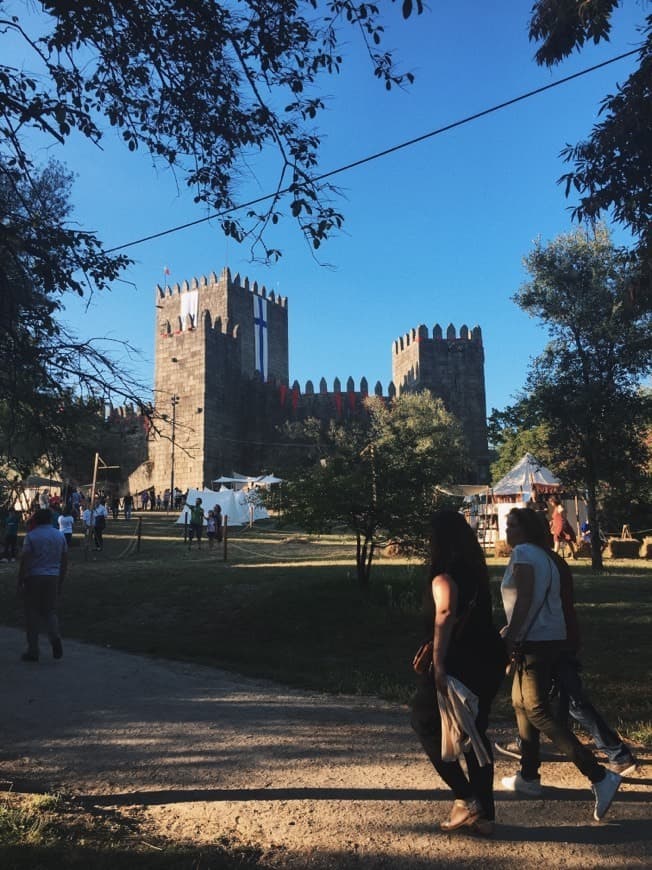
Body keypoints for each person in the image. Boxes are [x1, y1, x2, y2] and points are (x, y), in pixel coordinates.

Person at [500, 507, 621, 821]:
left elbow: (524, 600)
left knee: (537, 709)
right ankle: (528, 777)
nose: (506, 528)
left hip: (534, 641)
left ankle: (599, 775)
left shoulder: (525, 553)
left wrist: (512, 637)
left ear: (525, 529)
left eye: (512, 524)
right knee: (519, 702)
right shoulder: (546, 555)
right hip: (553, 637)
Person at [495, 545, 637, 775]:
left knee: (568, 699)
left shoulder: (538, 560)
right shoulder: (549, 559)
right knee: (553, 696)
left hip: (553, 638)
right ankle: (528, 747)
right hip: (557, 636)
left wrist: (516, 633)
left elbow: (538, 602)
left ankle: (616, 754)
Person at [411, 510, 507, 836]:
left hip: (460, 662)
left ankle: (466, 799)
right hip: (488, 657)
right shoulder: (474, 570)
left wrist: (438, 664)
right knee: (475, 734)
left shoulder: (444, 574)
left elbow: (446, 611)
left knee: (423, 720)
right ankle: (486, 816)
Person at [17, 508, 67, 662]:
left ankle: (33, 651)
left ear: (36, 520)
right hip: (53, 575)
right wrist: (60, 579)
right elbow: (64, 559)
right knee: (50, 611)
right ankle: (55, 637)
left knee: (32, 613)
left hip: (34, 576)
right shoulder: (59, 536)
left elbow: (25, 559)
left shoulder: (32, 536)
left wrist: (20, 580)